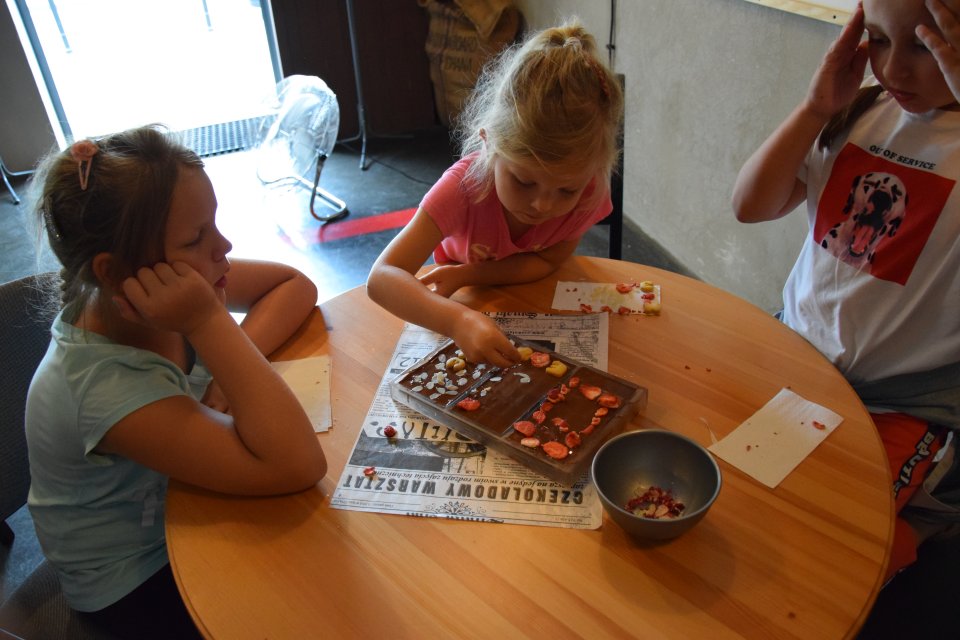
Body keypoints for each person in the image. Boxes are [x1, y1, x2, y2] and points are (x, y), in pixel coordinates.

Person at [25, 125, 327, 638]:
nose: (224, 246)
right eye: (194, 239)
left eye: (214, 225)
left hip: (189, 507)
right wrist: (210, 324)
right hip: (136, 579)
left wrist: (229, 376)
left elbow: (293, 285)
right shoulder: (101, 386)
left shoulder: (151, 291)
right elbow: (297, 464)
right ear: (114, 271)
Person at [732, 0, 960, 583]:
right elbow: (750, 205)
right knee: (736, 500)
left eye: (925, 46)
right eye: (879, 40)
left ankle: (930, 515)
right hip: (801, 357)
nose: (894, 70)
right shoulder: (862, 111)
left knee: (837, 558)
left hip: (898, 400)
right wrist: (814, 109)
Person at [366, 19, 624, 367]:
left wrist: (467, 274)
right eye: (523, 182)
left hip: (491, 286)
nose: (543, 205)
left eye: (566, 190)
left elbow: (548, 261)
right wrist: (457, 320)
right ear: (488, 145)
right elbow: (382, 278)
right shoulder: (462, 189)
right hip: (458, 304)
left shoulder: (589, 191)